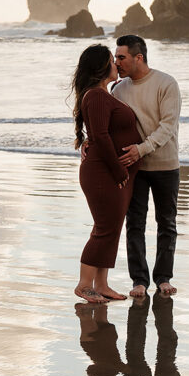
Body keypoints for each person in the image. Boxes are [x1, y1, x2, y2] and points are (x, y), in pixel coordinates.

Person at [71, 44, 141, 304]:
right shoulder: (96, 96)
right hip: (104, 173)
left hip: (110, 172)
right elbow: (100, 135)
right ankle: (84, 285)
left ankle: (101, 284)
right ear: (102, 67)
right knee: (104, 228)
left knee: (111, 228)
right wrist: (119, 169)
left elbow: (99, 132)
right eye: (112, 60)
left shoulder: (102, 94)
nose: (116, 64)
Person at [112, 34, 181, 297]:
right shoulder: (118, 90)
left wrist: (141, 149)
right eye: (116, 57)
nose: (116, 62)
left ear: (138, 57)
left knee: (167, 224)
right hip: (135, 169)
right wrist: (87, 142)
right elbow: (110, 126)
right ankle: (139, 281)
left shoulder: (166, 83)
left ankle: (163, 278)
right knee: (135, 225)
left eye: (121, 57)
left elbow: (168, 126)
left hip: (165, 165)